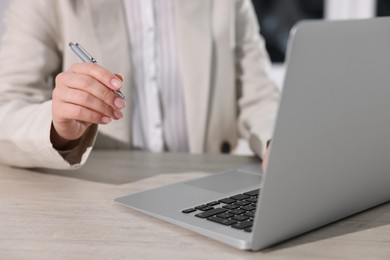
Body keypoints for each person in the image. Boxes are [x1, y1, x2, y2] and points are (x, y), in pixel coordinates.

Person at [0, 0, 280, 169]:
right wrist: (58, 127)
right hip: (95, 196)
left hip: (203, 186)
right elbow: (6, 106)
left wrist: (277, 141)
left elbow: (257, 95)